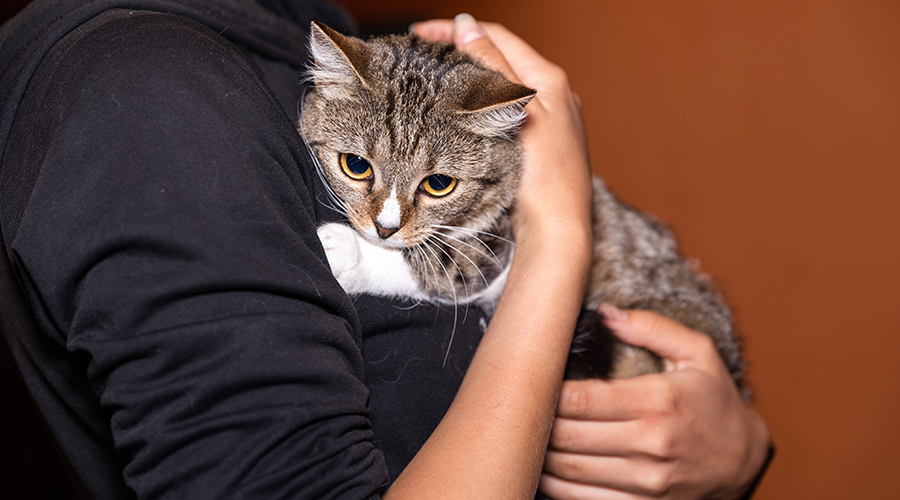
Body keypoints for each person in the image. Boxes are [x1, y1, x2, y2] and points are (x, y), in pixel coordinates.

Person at [0, 1, 770, 499]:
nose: (386, 220)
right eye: (357, 170)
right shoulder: (146, 93)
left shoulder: (319, 39)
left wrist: (739, 455)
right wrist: (560, 236)